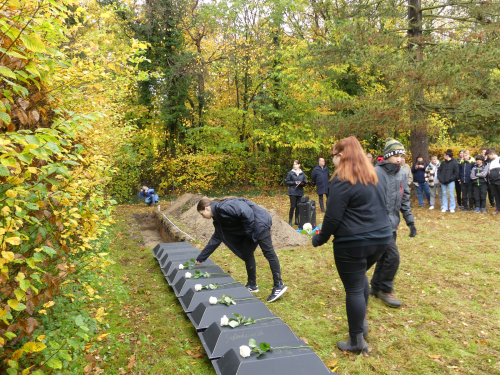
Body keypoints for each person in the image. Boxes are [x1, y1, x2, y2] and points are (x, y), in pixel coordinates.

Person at [311, 136, 393, 355]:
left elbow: (332, 217)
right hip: (382, 239)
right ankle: (362, 326)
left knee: (354, 288)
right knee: (359, 279)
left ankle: (356, 341)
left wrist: (319, 239)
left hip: (354, 242)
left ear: (342, 155)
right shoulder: (375, 175)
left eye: (333, 156)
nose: (332, 161)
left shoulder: (342, 179)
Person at [195, 197, 287, 302]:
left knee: (268, 252)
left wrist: (248, 232)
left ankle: (279, 285)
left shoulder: (223, 207)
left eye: (202, 214)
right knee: (247, 253)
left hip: (260, 222)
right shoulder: (218, 218)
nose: (202, 217)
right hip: (252, 226)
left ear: (207, 208)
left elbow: (245, 211)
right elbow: (216, 238)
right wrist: (201, 257)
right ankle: (252, 285)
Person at [371, 138, 416, 308]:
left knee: (384, 256)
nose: (399, 159)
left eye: (401, 155)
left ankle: (376, 287)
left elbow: (404, 200)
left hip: (393, 223)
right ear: (387, 155)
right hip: (378, 224)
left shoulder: (401, 174)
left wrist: (410, 221)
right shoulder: (375, 172)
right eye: (396, 155)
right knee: (393, 256)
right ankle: (385, 289)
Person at [285, 160, 307, 226]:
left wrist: (303, 183)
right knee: (292, 206)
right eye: (294, 164)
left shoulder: (302, 173)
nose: (295, 165)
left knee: (298, 207)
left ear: (299, 165)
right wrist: (294, 182)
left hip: (300, 191)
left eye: (296, 164)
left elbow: (305, 182)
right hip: (292, 191)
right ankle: (290, 221)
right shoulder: (290, 173)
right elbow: (287, 182)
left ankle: (297, 220)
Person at [486, 149, 500, 214]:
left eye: (489, 156)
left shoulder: (499, 159)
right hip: (492, 182)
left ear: (492, 154)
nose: (488, 157)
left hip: (498, 181)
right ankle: (498, 209)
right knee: (496, 196)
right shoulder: (491, 162)